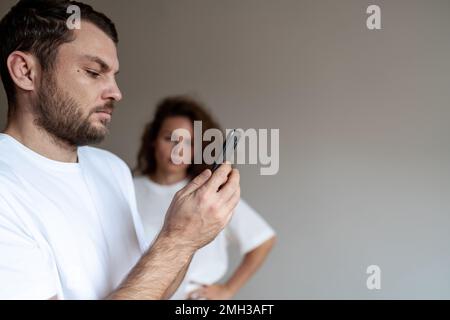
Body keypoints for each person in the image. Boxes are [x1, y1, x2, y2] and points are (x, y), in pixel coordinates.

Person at [0, 0, 240, 299]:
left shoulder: (111, 168)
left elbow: (152, 291)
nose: (116, 92)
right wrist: (178, 239)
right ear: (24, 71)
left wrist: (187, 235)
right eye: (93, 71)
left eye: (114, 75)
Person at [133, 96, 276, 300]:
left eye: (189, 141)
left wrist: (228, 290)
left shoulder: (209, 194)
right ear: (153, 141)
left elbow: (263, 239)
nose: (178, 149)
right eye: (169, 138)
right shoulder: (127, 188)